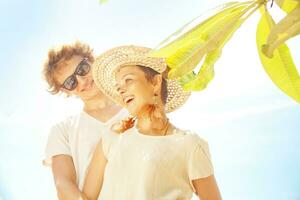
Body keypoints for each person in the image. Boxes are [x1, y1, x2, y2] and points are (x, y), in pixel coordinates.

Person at [83, 45, 222, 200]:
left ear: (155, 82)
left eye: (128, 80)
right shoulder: (111, 138)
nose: (121, 90)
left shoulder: (190, 145)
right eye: (118, 87)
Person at [42, 41, 127, 200]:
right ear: (66, 91)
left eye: (82, 69)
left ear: (92, 60)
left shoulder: (134, 106)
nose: (82, 81)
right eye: (71, 82)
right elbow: (63, 184)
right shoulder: (63, 131)